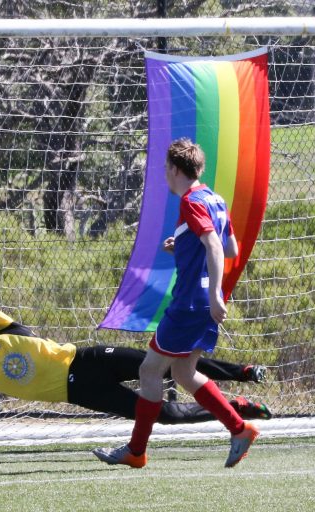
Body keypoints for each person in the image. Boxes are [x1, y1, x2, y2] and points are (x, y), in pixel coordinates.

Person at [0, 294, 270, 427]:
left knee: (171, 362)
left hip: (88, 360)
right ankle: (234, 410)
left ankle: (244, 373)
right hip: (79, 392)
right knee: (167, 415)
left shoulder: (4, 328)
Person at [93, 138, 258, 470]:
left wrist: (213, 296)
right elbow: (231, 251)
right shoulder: (215, 198)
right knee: (184, 372)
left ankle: (136, 450)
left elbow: (214, 246)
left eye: (166, 170)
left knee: (149, 369)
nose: (165, 175)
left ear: (174, 169)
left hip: (190, 303)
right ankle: (240, 428)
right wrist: (182, 246)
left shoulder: (192, 202)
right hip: (200, 301)